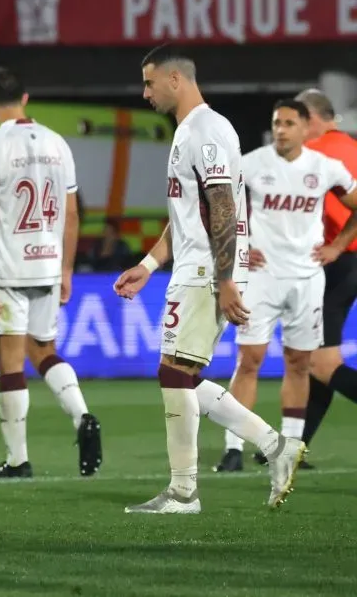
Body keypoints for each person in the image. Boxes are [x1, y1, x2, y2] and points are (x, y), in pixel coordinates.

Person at [115, 45, 304, 513]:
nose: (145, 92)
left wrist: (224, 278)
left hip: (206, 269)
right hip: (193, 265)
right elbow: (188, 214)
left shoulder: (208, 129)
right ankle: (276, 447)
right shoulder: (188, 132)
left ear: (176, 79)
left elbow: (222, 207)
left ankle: (184, 492)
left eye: (149, 81)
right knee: (180, 373)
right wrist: (149, 264)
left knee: (174, 372)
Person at [0, 67, 102, 480]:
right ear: (25, 99)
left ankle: (17, 460)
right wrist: (66, 268)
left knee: (10, 365)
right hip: (47, 263)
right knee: (44, 351)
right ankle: (82, 416)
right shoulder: (57, 143)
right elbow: (74, 213)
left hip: (8, 269)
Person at [216, 100, 357, 472]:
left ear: (304, 126)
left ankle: (289, 447)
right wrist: (239, 251)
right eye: (276, 122)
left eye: (289, 123)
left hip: (308, 279)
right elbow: (216, 209)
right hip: (262, 279)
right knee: (249, 360)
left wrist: (338, 246)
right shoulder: (250, 163)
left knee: (299, 364)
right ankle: (233, 449)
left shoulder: (324, 167)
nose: (281, 130)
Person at [295, 89, 357, 458]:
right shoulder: (350, 146)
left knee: (320, 363)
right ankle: (293, 446)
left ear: (311, 119)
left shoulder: (317, 155)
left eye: (294, 121)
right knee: (321, 358)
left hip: (342, 263)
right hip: (348, 262)